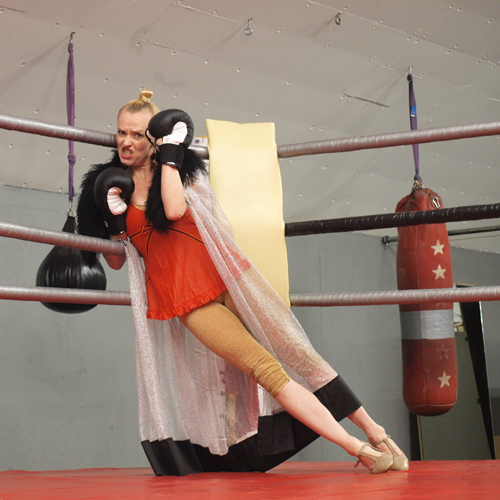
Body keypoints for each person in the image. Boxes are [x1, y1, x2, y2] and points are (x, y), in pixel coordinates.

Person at [77, 90, 409, 476]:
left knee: (300, 353)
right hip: (190, 300)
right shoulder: (107, 184)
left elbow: (174, 208)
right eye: (121, 133)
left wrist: (169, 156)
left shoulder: (182, 168)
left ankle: (376, 432)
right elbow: (117, 261)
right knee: (267, 371)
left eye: (136, 134)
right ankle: (357, 448)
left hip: (232, 279)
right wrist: (114, 222)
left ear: (154, 137)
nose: (126, 142)